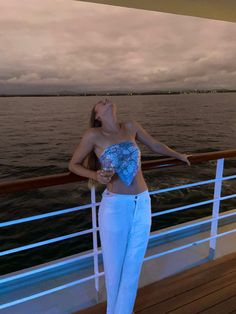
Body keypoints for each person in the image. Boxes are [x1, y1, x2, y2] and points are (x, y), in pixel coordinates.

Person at [68, 98, 191, 314]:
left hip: (142, 203)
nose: (106, 100)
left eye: (107, 100)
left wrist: (179, 155)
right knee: (115, 270)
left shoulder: (131, 126)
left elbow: (154, 145)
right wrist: (95, 175)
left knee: (132, 268)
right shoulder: (93, 135)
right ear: (97, 116)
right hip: (115, 208)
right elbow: (73, 164)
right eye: (101, 103)